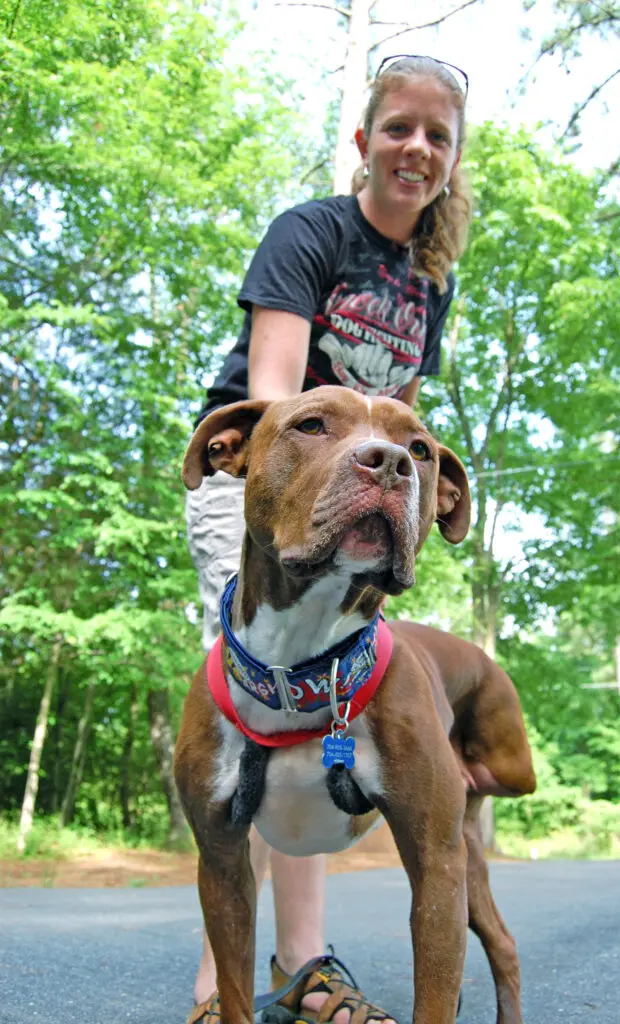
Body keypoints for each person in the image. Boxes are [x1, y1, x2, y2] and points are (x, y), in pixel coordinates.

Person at [185, 54, 472, 1024]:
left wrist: (397, 485)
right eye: (400, 127)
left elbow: (399, 421)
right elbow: (273, 388)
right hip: (267, 487)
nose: (417, 148)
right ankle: (235, 973)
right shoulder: (312, 233)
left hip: (345, 489)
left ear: (450, 160)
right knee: (255, 713)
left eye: (437, 136)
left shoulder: (428, 282)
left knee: (332, 704)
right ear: (364, 140)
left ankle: (297, 958)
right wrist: (333, 467)